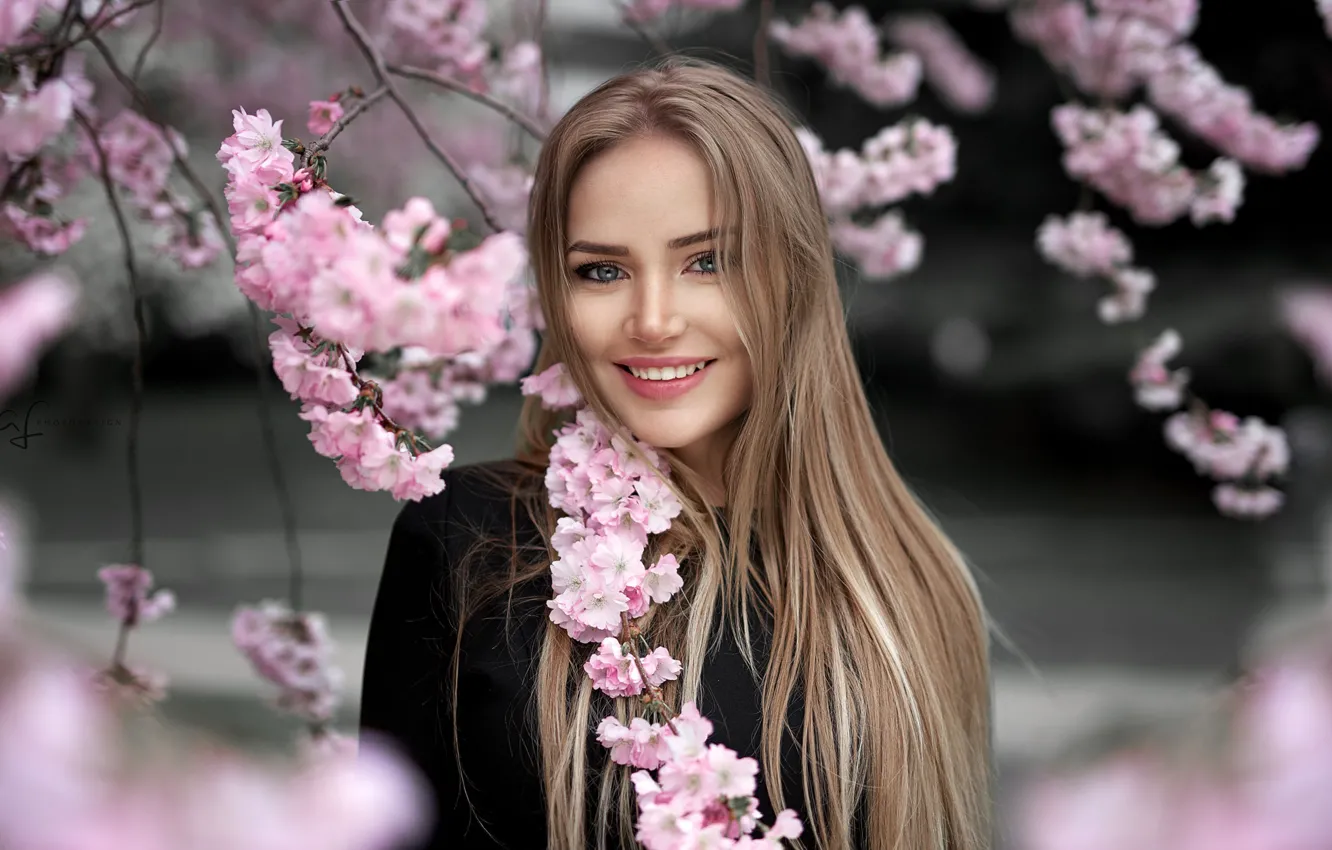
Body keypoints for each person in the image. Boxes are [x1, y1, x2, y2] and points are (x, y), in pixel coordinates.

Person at [360, 56, 994, 850]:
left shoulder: (908, 585)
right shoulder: (468, 540)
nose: (653, 320)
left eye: (707, 261)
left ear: (790, 276)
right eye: (602, 271)